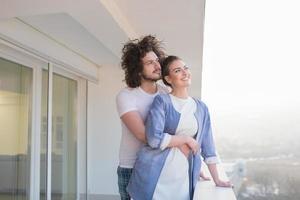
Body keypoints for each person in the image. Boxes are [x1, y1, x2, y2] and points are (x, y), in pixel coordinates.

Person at [127, 56, 232, 200]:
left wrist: (217, 179)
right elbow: (153, 138)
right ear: (168, 79)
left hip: (183, 177)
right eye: (177, 70)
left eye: (186, 68)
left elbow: (208, 147)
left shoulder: (201, 108)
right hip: (156, 176)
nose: (184, 73)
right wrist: (185, 139)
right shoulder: (162, 101)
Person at [116, 35, 168, 200]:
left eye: (157, 60)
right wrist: (181, 141)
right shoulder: (126, 96)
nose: (157, 65)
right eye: (149, 63)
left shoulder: (165, 92)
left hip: (159, 163)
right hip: (132, 167)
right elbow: (144, 135)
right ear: (138, 69)